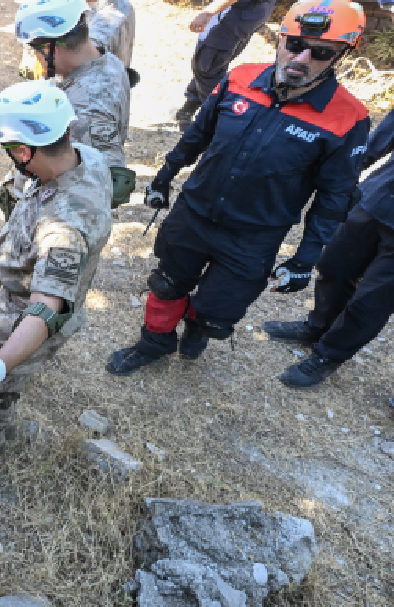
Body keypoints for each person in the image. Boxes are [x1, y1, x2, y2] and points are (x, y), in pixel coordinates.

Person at [107, 1, 370, 376]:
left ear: (341, 55)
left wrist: (303, 260)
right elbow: (198, 134)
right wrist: (164, 177)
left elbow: (334, 197)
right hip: (195, 213)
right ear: (281, 40)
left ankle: (199, 326)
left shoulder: (349, 117)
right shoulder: (241, 77)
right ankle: (155, 340)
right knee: (167, 283)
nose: (303, 57)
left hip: (254, 235)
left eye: (321, 52)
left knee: (218, 315)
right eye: (295, 44)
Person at [0, 81, 112, 457]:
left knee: (0, 380)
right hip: (23, 281)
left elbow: (45, 310)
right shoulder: (85, 156)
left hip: (27, 314)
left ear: (23, 150)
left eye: (9, 151)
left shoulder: (63, 229)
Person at [261, 111, 394, 388]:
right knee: (334, 266)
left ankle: (328, 355)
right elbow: (375, 143)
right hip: (377, 200)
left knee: (371, 300)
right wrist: (342, 177)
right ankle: (317, 326)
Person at [9, 0, 133, 212]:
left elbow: (95, 183)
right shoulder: (104, 58)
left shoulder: (85, 109)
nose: (35, 58)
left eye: (34, 50)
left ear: (50, 49)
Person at [173, 0, 276, 131]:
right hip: (250, 12)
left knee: (207, 67)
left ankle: (217, 122)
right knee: (214, 65)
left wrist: (209, 11)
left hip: (235, 13)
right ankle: (189, 108)